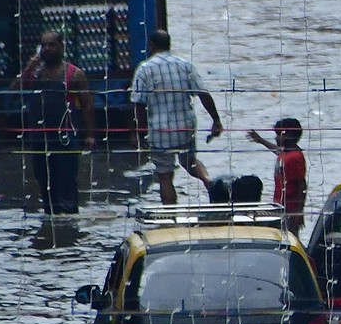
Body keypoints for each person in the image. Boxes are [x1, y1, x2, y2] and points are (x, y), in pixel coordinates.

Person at [130, 28, 221, 203]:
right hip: (185, 126)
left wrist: (137, 132)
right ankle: (208, 181)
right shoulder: (185, 64)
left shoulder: (145, 69)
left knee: (165, 176)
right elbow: (203, 94)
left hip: (159, 130)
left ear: (151, 45)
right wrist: (216, 120)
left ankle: (171, 217)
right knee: (189, 161)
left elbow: (138, 104)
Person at [12, 30, 94, 216]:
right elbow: (14, 91)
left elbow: (88, 106)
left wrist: (89, 135)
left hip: (66, 138)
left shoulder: (75, 74)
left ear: (61, 47)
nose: (47, 49)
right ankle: (51, 220)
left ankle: (69, 223)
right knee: (44, 181)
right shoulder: (35, 75)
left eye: (52, 45)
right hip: (40, 138)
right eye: (44, 45)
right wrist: (29, 68)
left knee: (66, 181)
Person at [243, 117, 306, 226]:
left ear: (288, 136)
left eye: (278, 135)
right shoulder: (286, 153)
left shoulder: (294, 157)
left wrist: (298, 213)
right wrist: (260, 140)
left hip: (289, 211)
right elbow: (277, 150)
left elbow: (301, 186)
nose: (276, 138)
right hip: (279, 208)